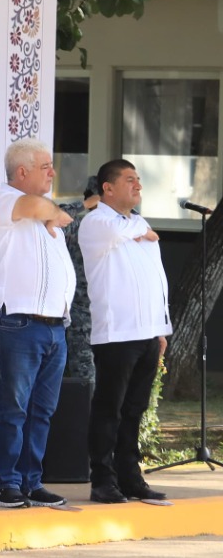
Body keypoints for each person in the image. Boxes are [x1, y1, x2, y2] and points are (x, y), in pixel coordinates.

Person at [0, 138, 75, 508]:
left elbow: (52, 213)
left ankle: (31, 481)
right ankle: (6, 483)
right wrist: (50, 211)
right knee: (13, 408)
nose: (53, 172)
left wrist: (52, 213)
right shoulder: (1, 199)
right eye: (45, 166)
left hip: (54, 326)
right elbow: (35, 206)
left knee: (42, 410)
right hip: (19, 320)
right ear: (22, 171)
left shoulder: (45, 212)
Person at [78, 160, 171, 503]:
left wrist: (161, 327)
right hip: (117, 333)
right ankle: (102, 479)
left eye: (139, 180)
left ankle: (131, 477)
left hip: (147, 332)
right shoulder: (96, 222)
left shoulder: (139, 223)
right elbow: (115, 234)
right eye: (130, 180)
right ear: (108, 188)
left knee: (135, 409)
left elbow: (155, 277)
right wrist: (141, 232)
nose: (138, 186)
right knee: (109, 408)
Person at [62, 175, 102, 384]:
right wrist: (84, 205)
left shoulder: (124, 225)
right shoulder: (77, 224)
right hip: (82, 313)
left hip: (111, 314)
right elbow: (55, 219)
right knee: (85, 378)